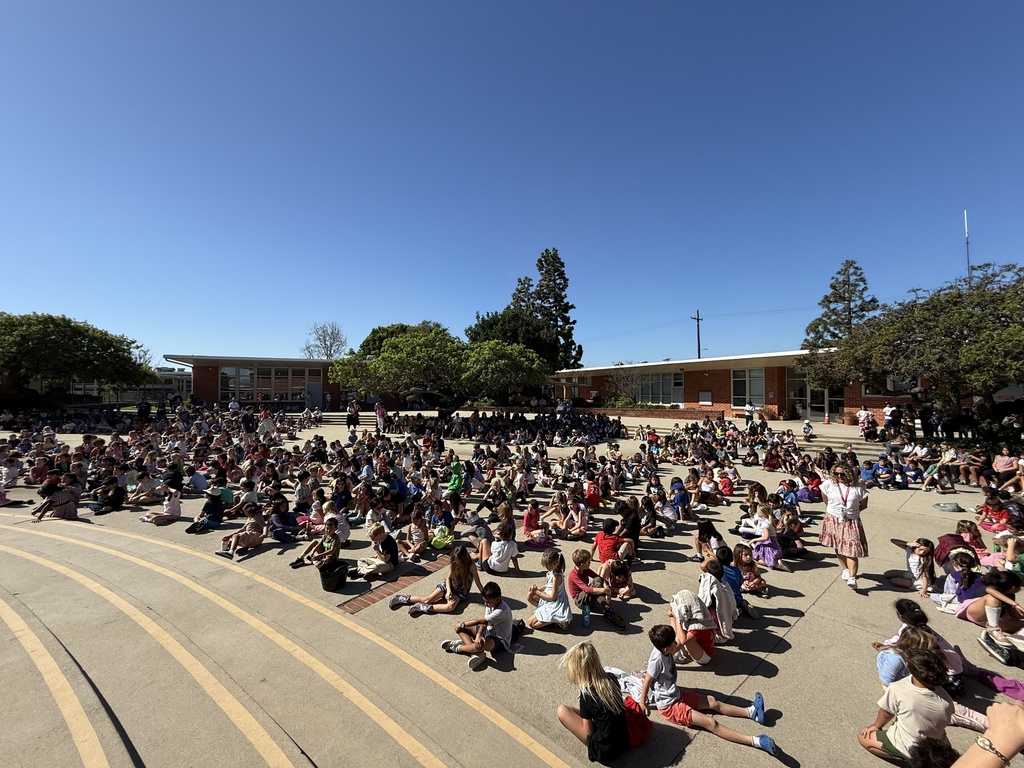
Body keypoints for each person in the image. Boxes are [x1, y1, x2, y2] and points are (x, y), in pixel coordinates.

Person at [623, 621, 774, 754]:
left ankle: (751, 712)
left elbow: (681, 640)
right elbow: (648, 680)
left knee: (713, 702)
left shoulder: (666, 648)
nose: (677, 643)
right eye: (673, 642)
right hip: (670, 707)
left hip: (676, 693)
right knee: (711, 723)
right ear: (666, 649)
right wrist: (642, 703)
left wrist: (673, 617)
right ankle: (756, 741)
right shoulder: (656, 660)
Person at [857, 648, 954, 761]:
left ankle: (909, 758)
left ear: (907, 666)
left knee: (863, 738)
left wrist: (876, 726)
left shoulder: (898, 688)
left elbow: (887, 712)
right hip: (938, 747)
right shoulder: (946, 698)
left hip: (911, 746)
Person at [556, 641, 631, 764]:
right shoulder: (611, 678)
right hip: (624, 740)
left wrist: (586, 706)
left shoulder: (587, 695)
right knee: (580, 712)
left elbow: (588, 731)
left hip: (605, 751)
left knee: (562, 710)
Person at [440, 581, 513, 670]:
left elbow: (480, 620)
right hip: (488, 632)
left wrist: (463, 624)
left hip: (499, 640)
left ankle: (458, 647)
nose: (485, 604)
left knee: (479, 645)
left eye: (488, 602)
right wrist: (478, 635)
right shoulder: (490, 604)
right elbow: (484, 623)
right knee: (459, 628)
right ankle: (476, 653)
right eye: (484, 601)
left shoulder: (502, 611)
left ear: (497, 599)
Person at [390, 545, 483, 615]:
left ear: (464, 559)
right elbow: (448, 578)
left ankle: (423, 608)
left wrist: (486, 596)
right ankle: (401, 598)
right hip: (449, 586)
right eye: (455, 562)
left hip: (460, 592)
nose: (457, 564)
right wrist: (448, 591)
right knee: (428, 599)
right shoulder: (454, 564)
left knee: (450, 607)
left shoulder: (471, 566)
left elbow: (478, 583)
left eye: (459, 562)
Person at [820, 465, 870, 589]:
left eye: (842, 474)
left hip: (851, 521)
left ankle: (852, 577)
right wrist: (835, 511)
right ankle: (845, 569)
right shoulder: (828, 484)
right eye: (836, 474)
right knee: (838, 545)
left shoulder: (858, 487)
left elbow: (863, 505)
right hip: (833, 518)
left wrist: (850, 512)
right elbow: (825, 500)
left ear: (848, 474)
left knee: (851, 549)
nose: (839, 477)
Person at [567, 549, 625, 630]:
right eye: (588, 561)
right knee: (596, 585)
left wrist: (606, 587)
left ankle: (607, 609)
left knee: (597, 580)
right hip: (580, 600)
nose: (590, 563)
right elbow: (587, 589)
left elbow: (599, 578)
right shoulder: (574, 575)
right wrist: (604, 591)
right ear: (582, 564)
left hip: (588, 596)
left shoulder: (585, 569)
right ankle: (608, 611)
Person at [527, 547, 572, 630]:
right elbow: (548, 586)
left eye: (548, 565)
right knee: (530, 595)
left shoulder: (556, 577)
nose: (547, 567)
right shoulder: (551, 572)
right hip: (550, 600)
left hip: (555, 603)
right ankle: (547, 615)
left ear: (555, 563)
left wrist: (537, 592)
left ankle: (559, 619)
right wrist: (537, 590)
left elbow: (552, 598)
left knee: (532, 623)